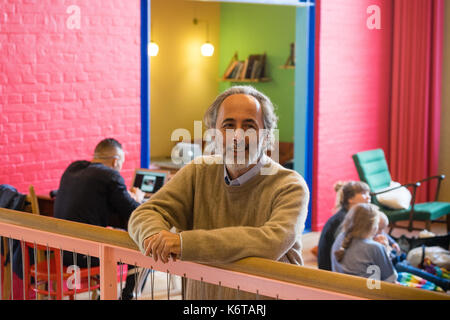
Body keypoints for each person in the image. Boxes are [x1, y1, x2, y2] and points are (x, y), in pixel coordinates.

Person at [128, 86, 310, 299]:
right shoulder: (198, 171)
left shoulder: (290, 185)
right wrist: (155, 236)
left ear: (267, 136)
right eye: (229, 125)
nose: (238, 136)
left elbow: (271, 241)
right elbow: (145, 213)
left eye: (250, 126)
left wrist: (184, 243)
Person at [54, 138, 147, 299]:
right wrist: (137, 197)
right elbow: (134, 211)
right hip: (84, 255)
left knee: (115, 235)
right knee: (144, 250)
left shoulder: (73, 168)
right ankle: (128, 297)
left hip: (60, 252)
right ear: (116, 161)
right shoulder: (109, 175)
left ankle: (103, 294)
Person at [331, 203, 398, 283]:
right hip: (367, 292)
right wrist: (386, 252)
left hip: (341, 288)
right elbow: (391, 280)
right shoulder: (375, 247)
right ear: (373, 226)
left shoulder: (340, 237)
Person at [317, 181, 371, 271]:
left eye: (368, 194)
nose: (368, 197)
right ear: (350, 199)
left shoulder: (350, 216)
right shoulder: (343, 220)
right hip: (333, 271)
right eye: (363, 194)